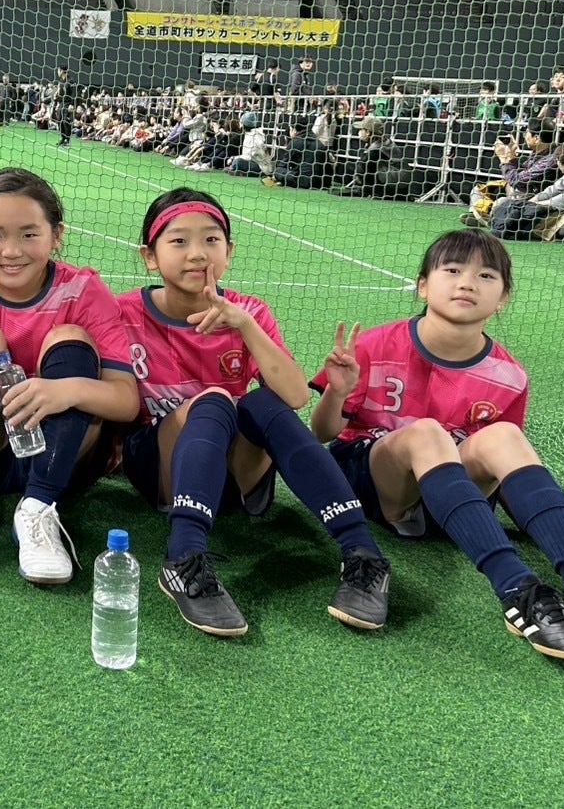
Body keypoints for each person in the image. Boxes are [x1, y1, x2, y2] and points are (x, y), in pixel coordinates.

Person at [311, 230, 564, 664]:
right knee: (427, 432)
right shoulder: (374, 344)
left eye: (486, 275)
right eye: (453, 270)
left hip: (452, 501)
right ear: (423, 285)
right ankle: (516, 588)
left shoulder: (509, 375)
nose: (467, 283)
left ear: (503, 298)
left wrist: (542, 521)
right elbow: (322, 433)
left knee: (505, 436)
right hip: (379, 488)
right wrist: (337, 393)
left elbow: (504, 470)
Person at [113, 188, 390, 636]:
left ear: (229, 251)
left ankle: (362, 552)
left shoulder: (250, 311)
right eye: (179, 241)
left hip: (234, 474)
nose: (197, 253)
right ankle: (183, 556)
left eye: (211, 240)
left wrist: (244, 325)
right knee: (215, 400)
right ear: (150, 256)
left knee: (263, 402)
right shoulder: (123, 312)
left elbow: (296, 395)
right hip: (162, 469)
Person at [0, 168, 139, 584]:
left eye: (29, 234)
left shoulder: (83, 290)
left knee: (70, 336)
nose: (12, 250)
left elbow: (126, 402)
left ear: (56, 236)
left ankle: (39, 509)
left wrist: (64, 391)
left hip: (65, 459)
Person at [460, 120, 558, 228]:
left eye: (526, 133)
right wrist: (511, 156)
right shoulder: (537, 152)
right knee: (478, 190)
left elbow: (517, 181)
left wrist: (503, 159)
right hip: (519, 192)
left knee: (501, 203)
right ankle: (480, 215)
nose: (524, 136)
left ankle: (489, 220)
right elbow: (523, 174)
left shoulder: (550, 159)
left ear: (536, 138)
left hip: (532, 199)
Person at [267, 119, 331, 189]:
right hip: (323, 183)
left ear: (294, 130)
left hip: (305, 182)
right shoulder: (319, 141)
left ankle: (279, 180)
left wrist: (276, 176)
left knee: (278, 171)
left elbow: (284, 164)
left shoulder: (296, 141)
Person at [224, 111, 273, 178]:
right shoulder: (251, 134)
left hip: (259, 166)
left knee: (238, 161)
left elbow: (248, 157)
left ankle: (235, 169)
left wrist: (234, 158)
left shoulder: (253, 136)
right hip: (256, 163)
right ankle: (239, 171)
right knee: (236, 161)